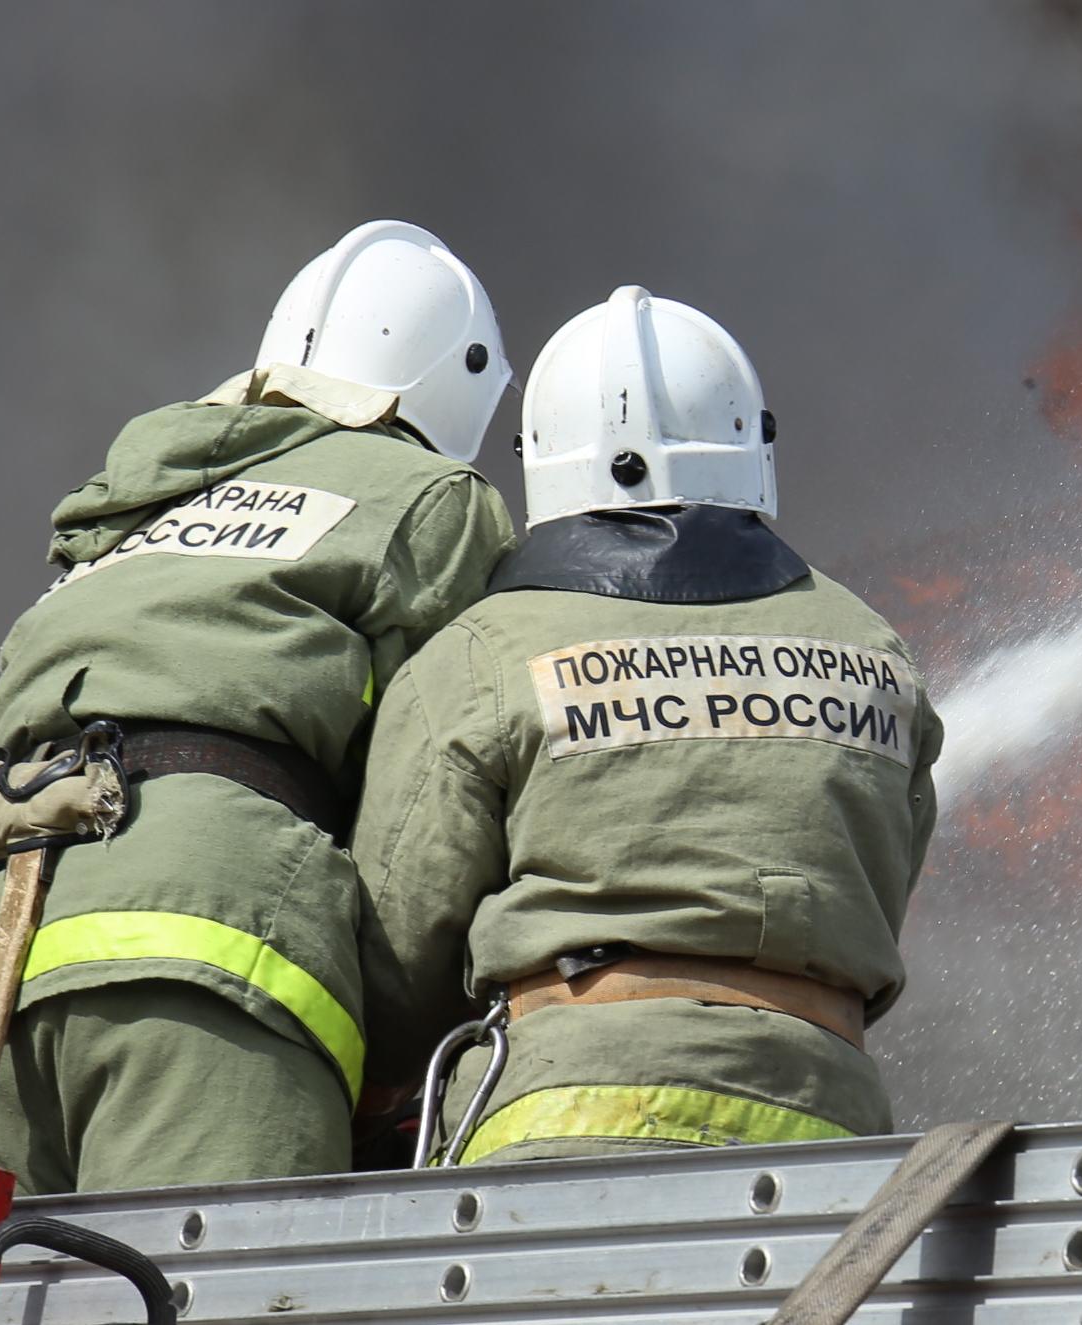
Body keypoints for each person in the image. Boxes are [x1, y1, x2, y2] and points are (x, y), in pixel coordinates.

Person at [0, 220, 519, 1194]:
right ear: (462, 383)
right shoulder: (430, 494)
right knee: (205, 1275)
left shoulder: (143, 500)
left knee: (4, 1274)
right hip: (205, 934)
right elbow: (431, 783)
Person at [355, 286, 938, 1164]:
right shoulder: (872, 646)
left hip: (557, 1126)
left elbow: (397, 961)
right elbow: (878, 890)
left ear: (540, 460)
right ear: (751, 445)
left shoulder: (482, 651)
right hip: (825, 1131)